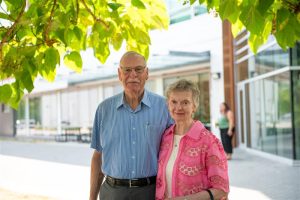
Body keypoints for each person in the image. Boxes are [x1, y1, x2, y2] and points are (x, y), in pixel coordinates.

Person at [89, 51, 173, 200]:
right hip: (112, 193)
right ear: (119, 74)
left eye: (139, 69)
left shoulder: (164, 107)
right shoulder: (104, 109)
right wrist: (92, 198)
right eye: (127, 70)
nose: (133, 75)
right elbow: (97, 156)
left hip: (151, 192)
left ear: (147, 73)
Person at [156, 80, 229, 200]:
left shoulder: (209, 141)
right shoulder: (165, 137)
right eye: (174, 102)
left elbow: (221, 189)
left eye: (185, 102)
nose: (178, 107)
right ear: (168, 105)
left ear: (194, 106)